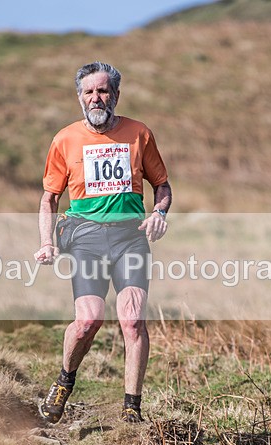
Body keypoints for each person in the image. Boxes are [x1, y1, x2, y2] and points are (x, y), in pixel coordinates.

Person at [34, 61, 173, 424]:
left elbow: (162, 186)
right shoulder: (64, 139)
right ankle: (65, 381)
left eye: (103, 90)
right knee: (88, 321)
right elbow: (49, 198)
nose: (97, 98)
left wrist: (159, 213)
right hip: (86, 236)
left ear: (116, 94)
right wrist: (46, 243)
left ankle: (131, 410)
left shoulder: (139, 133)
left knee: (132, 322)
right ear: (80, 97)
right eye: (89, 92)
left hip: (130, 237)